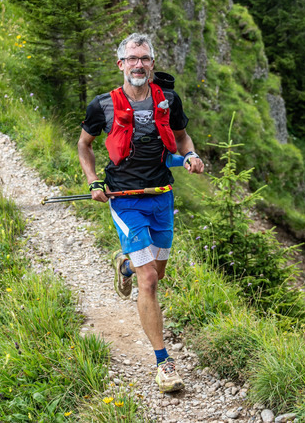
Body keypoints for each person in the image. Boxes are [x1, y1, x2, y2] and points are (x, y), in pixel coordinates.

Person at [77, 33, 205, 394]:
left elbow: (181, 140)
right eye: (132, 58)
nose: (138, 65)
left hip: (162, 197)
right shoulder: (102, 105)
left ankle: (126, 264)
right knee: (148, 279)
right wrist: (93, 182)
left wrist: (190, 157)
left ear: (152, 63)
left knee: (157, 272)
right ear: (121, 64)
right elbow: (84, 146)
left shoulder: (169, 100)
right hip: (125, 199)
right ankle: (164, 363)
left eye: (145, 59)